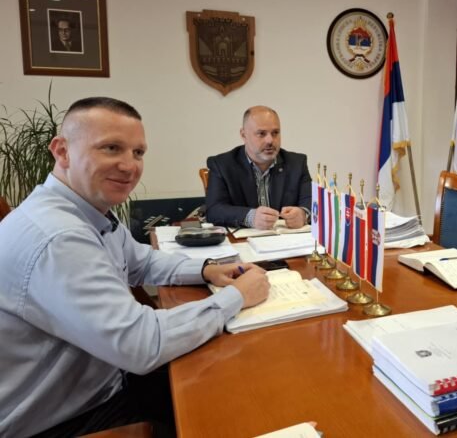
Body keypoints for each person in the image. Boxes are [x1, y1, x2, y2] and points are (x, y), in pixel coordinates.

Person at [0, 97, 270, 437]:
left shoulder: (83, 210)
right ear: (62, 151)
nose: (129, 166)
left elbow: (140, 260)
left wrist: (207, 269)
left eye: (138, 152)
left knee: (229, 381)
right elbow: (142, 344)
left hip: (99, 381)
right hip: (66, 420)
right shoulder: (59, 238)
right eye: (111, 148)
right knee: (230, 407)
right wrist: (236, 297)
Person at [206, 106, 312, 230]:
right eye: (261, 133)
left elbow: (311, 200)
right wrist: (250, 217)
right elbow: (214, 210)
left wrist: (303, 214)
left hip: (286, 239)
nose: (270, 140)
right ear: (244, 135)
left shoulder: (297, 163)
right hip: (243, 240)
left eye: (275, 133)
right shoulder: (222, 165)